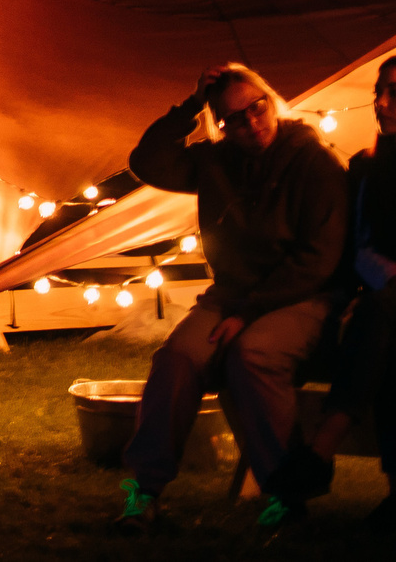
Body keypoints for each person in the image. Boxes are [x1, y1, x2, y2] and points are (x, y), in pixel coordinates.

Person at [113, 63, 349, 535]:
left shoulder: (314, 162)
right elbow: (148, 161)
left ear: (271, 101)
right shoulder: (217, 162)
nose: (251, 124)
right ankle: (145, 490)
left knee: (253, 354)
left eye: (256, 108)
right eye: (234, 119)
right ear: (220, 123)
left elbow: (318, 259)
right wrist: (190, 106)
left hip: (302, 294)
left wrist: (247, 313)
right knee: (178, 358)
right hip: (233, 295)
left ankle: (286, 492)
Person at [283, 53, 396, 531]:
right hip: (375, 303)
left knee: (385, 313)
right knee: (386, 324)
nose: (383, 103)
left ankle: (324, 443)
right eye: (379, 92)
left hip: (382, 305)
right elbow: (353, 246)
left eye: (395, 93)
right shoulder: (365, 167)